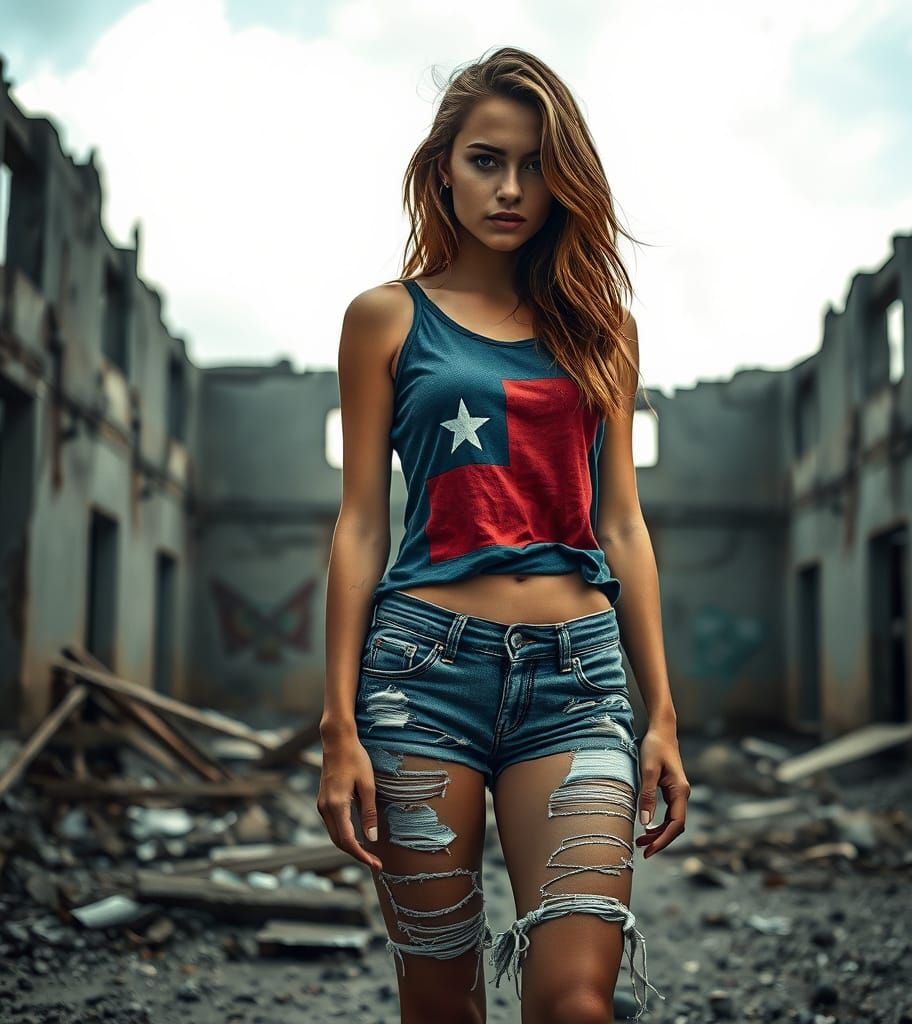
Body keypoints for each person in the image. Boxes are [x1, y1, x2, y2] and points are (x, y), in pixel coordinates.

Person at [318, 45, 690, 1024]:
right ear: (443, 165)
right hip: (418, 679)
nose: (512, 188)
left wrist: (661, 714)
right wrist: (337, 725)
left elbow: (621, 520)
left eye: (534, 165)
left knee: (574, 1001)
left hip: (577, 679)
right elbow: (359, 523)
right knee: (441, 1002)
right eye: (487, 160)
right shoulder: (384, 319)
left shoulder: (601, 325)